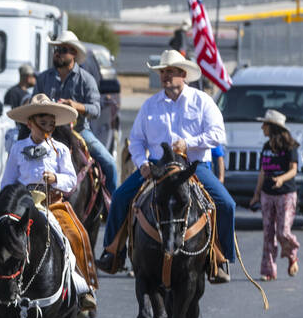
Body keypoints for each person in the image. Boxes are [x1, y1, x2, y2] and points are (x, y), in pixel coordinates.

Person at [97, 49, 234, 283]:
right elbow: (137, 141)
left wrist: (188, 143)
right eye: (162, 72)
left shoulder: (202, 101)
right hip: (157, 166)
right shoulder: (150, 105)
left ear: (183, 74)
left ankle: (220, 259)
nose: (164, 76)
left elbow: (217, 134)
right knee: (120, 196)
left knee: (226, 204)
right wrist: (141, 164)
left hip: (193, 166)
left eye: (170, 72)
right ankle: (112, 253)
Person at [0, 95, 98, 310]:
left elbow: (70, 181)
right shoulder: (17, 148)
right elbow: (7, 181)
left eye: (51, 122)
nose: (48, 127)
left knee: (76, 234)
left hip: (51, 202)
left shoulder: (60, 149)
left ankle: (83, 285)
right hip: (20, 203)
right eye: (43, 122)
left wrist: (56, 179)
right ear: (30, 123)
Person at [34, 30, 118, 189]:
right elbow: (32, 103)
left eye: (63, 50)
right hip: (46, 132)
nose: (57, 53)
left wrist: (76, 106)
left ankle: (114, 209)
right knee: (19, 154)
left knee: (110, 164)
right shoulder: (44, 78)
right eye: (56, 49)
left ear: (74, 53)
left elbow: (96, 110)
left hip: (79, 131)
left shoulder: (86, 79)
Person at [250, 110, 300, 280]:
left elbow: (293, 170)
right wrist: (256, 194)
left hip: (285, 194)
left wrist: (280, 179)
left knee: (283, 232)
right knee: (268, 233)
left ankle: (292, 254)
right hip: (267, 194)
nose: (262, 127)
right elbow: (263, 171)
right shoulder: (266, 147)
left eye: (265, 124)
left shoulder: (290, 147)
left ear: (273, 127)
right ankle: (268, 270)